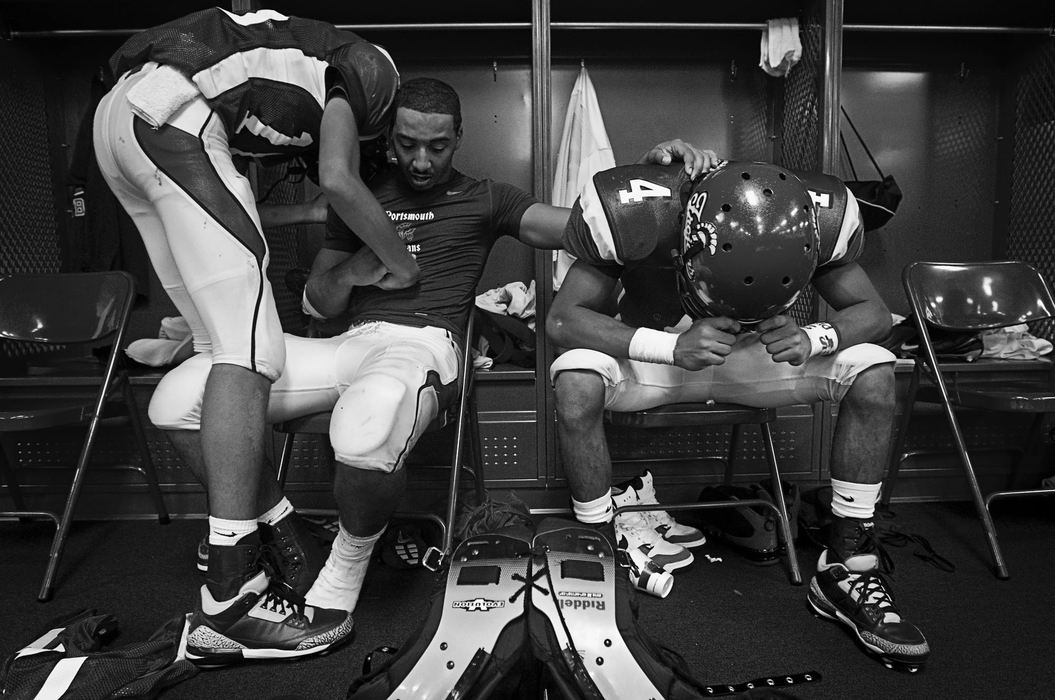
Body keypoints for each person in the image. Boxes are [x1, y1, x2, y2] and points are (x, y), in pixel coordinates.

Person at [148, 78, 717, 623]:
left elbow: (589, 230)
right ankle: (278, 525)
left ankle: (345, 567)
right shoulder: (360, 200)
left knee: (367, 422)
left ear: (459, 138)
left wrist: (650, 180)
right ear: (389, 138)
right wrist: (355, 269)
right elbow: (317, 302)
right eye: (407, 144)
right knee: (178, 398)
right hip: (347, 344)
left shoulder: (486, 198)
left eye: (438, 146)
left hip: (425, 345)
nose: (421, 161)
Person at [92, 7, 420, 665]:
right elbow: (337, 176)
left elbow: (238, 188)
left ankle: (277, 530)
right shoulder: (361, 67)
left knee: (222, 349)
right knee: (251, 350)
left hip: (119, 121)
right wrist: (399, 261)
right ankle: (232, 596)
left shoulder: (273, 66)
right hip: (176, 119)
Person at [545, 159, 930, 671]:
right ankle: (599, 547)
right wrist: (669, 347)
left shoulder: (815, 214)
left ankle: (848, 563)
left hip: (756, 359)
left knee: (876, 371)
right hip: (664, 350)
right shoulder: (644, 209)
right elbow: (562, 318)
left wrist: (817, 336)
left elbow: (875, 313)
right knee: (574, 378)